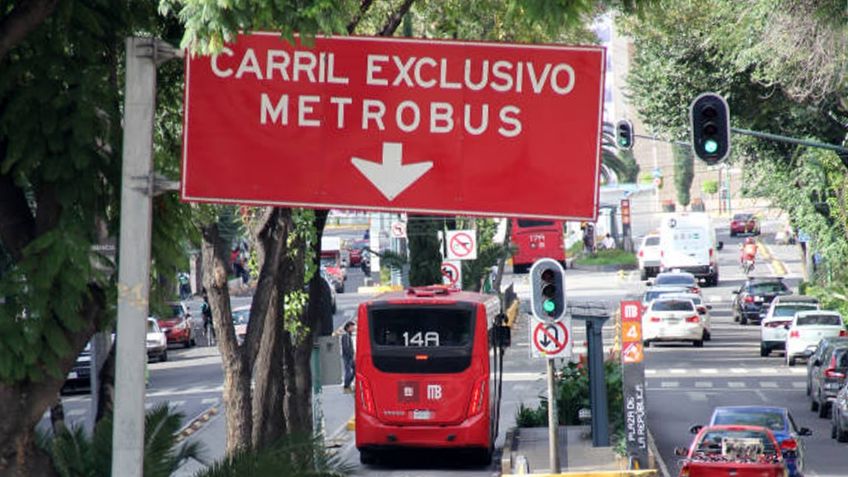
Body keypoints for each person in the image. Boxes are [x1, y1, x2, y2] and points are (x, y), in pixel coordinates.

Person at [341, 321, 356, 393]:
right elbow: (346, 347)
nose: (353, 328)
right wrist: (351, 356)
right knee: (348, 372)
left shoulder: (348, 335)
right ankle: (346, 386)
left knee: (355, 369)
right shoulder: (346, 336)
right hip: (348, 357)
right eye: (352, 326)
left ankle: (348, 384)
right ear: (348, 328)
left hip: (350, 357)